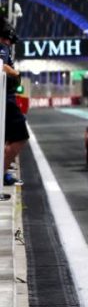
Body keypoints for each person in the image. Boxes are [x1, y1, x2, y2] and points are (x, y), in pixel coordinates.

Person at [0, 22, 27, 187]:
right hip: (5, 98)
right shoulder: (2, 47)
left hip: (6, 97)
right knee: (20, 136)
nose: (9, 43)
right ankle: (1, 173)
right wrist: (16, 73)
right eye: (8, 39)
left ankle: (2, 172)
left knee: (6, 138)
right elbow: (1, 66)